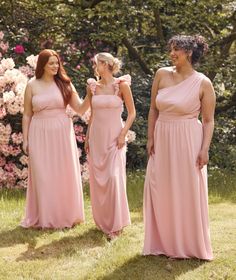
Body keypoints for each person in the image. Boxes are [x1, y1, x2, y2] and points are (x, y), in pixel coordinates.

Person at [143, 35, 215, 260]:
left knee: (186, 189)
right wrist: (150, 137)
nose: (172, 53)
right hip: (162, 137)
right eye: (171, 49)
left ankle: (188, 244)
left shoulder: (203, 82)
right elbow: (153, 109)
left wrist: (205, 149)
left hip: (188, 140)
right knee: (160, 186)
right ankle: (162, 242)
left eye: (177, 50)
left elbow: (208, 120)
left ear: (190, 53)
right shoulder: (161, 74)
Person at [21, 49, 89, 229]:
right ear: (42, 65)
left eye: (56, 63)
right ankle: (45, 217)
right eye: (51, 63)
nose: (55, 66)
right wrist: (25, 139)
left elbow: (80, 109)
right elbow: (27, 114)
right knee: (42, 174)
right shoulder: (32, 85)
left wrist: (91, 94)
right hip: (38, 132)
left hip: (61, 133)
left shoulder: (65, 84)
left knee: (62, 173)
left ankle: (66, 215)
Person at [85, 52, 136, 239]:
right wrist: (88, 137)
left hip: (115, 137)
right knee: (100, 180)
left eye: (96, 64)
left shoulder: (121, 85)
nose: (94, 67)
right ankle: (103, 221)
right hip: (97, 137)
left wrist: (123, 134)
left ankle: (116, 225)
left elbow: (132, 113)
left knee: (114, 178)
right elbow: (92, 115)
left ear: (105, 64)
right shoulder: (93, 87)